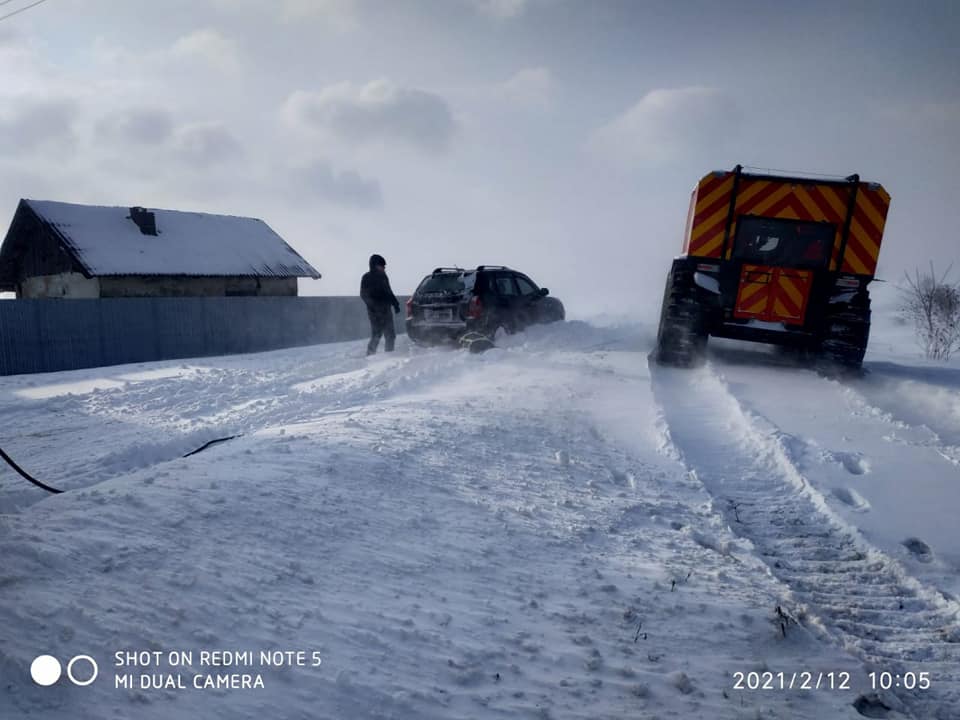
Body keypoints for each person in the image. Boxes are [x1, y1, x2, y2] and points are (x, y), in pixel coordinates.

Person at [360, 254, 400, 355]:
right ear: (375, 265)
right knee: (377, 335)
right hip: (374, 312)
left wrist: (395, 304)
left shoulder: (383, 277)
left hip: (386, 310)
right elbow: (363, 295)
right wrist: (374, 307)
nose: (384, 267)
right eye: (382, 265)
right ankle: (370, 355)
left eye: (384, 266)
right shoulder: (367, 277)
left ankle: (389, 355)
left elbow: (388, 291)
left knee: (390, 335)